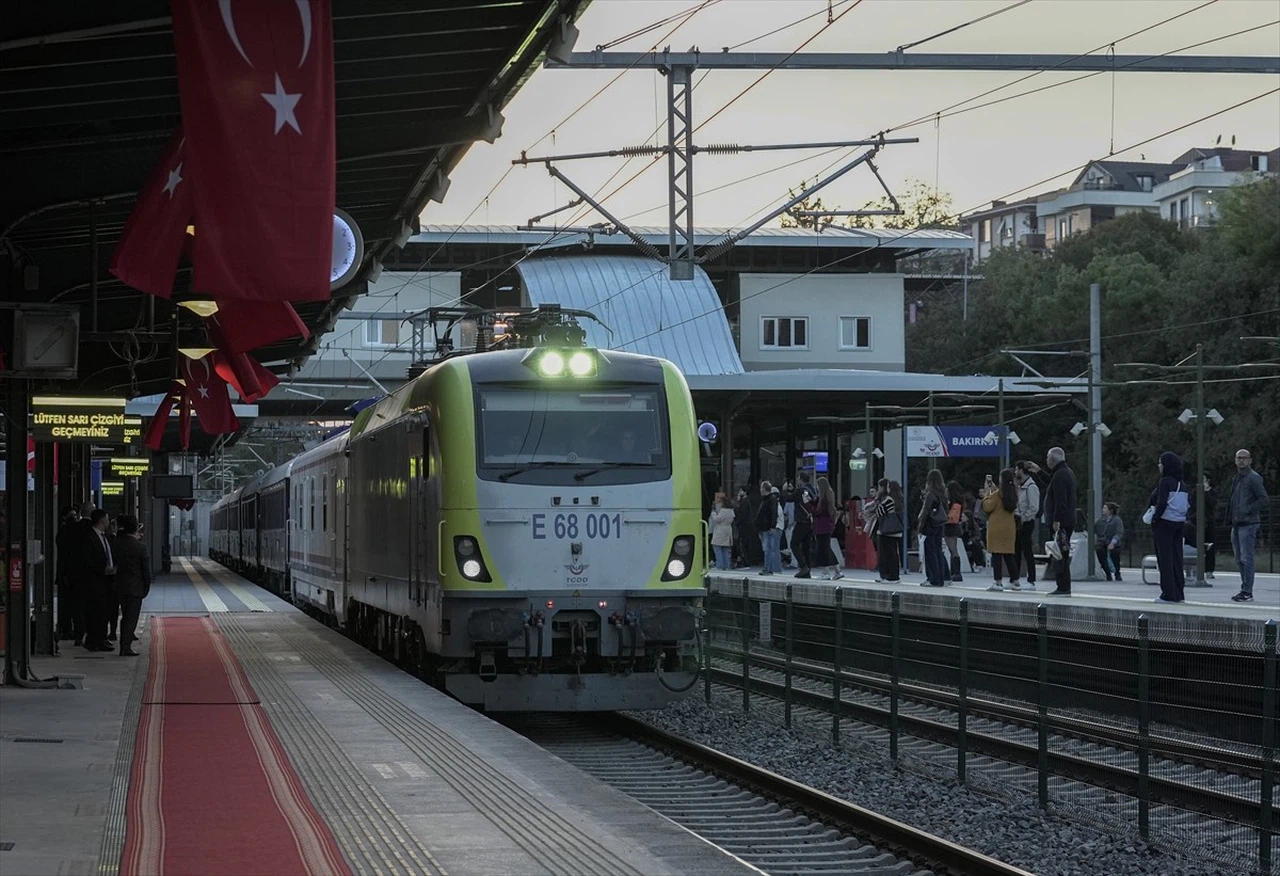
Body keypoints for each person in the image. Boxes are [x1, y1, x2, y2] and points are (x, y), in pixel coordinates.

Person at [1025, 447, 1077, 596]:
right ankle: (1062, 585)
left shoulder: (1060, 475)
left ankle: (1063, 587)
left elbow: (1061, 500)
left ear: (1053, 459)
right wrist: (1038, 471)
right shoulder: (1064, 473)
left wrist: (1057, 520)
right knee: (1061, 552)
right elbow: (1052, 484)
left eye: (1048, 457)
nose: (1046, 460)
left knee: (1060, 553)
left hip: (1062, 522)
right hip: (1066, 521)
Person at [1227, 448, 1269, 603]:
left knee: (1246, 558)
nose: (1241, 460)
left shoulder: (1253, 478)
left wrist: (1248, 509)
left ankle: (1247, 591)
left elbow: (1264, 499)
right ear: (1235, 460)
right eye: (1239, 458)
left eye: (1244, 458)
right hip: (1237, 524)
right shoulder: (1237, 478)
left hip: (1249, 523)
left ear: (1250, 460)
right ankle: (1244, 589)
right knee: (1239, 558)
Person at [1149, 451, 1190, 604]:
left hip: (1164, 523)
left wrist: (1155, 519)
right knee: (1177, 558)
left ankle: (1167, 593)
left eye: (1161, 462)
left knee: (1164, 559)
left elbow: (1161, 502)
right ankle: (1179, 593)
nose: (1159, 465)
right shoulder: (1182, 484)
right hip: (1178, 522)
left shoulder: (1165, 481)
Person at [112, 515, 151, 657]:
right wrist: (146, 587)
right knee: (131, 617)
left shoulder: (116, 543)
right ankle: (125, 646)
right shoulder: (140, 547)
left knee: (125, 616)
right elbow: (146, 570)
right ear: (135, 528)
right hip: (135, 587)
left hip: (120, 585)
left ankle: (124, 644)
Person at [82, 509, 116, 651]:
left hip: (106, 580)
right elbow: (86, 560)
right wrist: (103, 569)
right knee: (95, 611)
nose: (109, 522)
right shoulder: (89, 537)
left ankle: (100, 638)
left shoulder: (105, 537)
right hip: (94, 581)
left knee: (104, 610)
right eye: (107, 519)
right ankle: (94, 640)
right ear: (102, 521)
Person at [982, 468, 1022, 591]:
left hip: (996, 527)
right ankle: (1016, 582)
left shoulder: (997, 494)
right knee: (1009, 555)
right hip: (1009, 528)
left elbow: (987, 507)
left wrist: (986, 494)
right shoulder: (1014, 493)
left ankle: (998, 582)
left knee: (997, 555)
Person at [917, 470, 949, 587]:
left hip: (930, 525)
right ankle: (940, 578)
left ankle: (933, 578)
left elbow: (925, 511)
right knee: (938, 551)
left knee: (930, 552)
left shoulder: (930, 494)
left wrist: (920, 528)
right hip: (940, 524)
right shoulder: (943, 493)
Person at [870, 479, 903, 583]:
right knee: (893, 553)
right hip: (895, 531)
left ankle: (891, 576)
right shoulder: (899, 499)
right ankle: (893, 575)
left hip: (886, 530)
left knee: (886, 554)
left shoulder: (889, 499)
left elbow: (879, 512)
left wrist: (877, 501)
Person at [810, 476, 843, 581]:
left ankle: (825, 572)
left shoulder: (822, 500)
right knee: (827, 548)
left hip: (821, 527)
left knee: (822, 549)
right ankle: (837, 571)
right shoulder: (829, 498)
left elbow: (816, 512)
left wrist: (809, 506)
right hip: (827, 527)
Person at [1183, 476, 1216, 579]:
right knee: (1195, 543)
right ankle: (1195, 567)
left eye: (1204, 480)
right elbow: (1192, 504)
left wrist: (1206, 492)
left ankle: (1209, 569)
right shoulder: (1195, 492)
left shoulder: (1212, 492)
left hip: (1209, 521)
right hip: (1196, 520)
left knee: (1210, 545)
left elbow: (1213, 504)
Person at [55, 507, 80, 643]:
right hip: (68, 573)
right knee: (67, 604)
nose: (74, 519)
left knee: (68, 603)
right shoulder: (68, 532)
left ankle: (68, 629)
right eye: (72, 516)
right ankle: (67, 629)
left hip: (66, 573)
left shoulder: (63, 533)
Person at [1014, 464, 1041, 590]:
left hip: (1026, 522)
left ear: (1020, 470)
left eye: (1016, 469)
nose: (1015, 472)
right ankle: (1015, 578)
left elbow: (1034, 507)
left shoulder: (1031, 487)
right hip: (1019, 522)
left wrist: (1023, 518)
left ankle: (1031, 580)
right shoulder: (1021, 487)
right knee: (1017, 550)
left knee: (1027, 550)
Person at [754, 482, 783, 575]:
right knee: (767, 549)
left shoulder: (771, 499)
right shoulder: (766, 499)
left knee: (768, 549)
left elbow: (773, 513)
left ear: (764, 489)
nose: (759, 490)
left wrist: (772, 526)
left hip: (767, 527)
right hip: (764, 527)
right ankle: (769, 568)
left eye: (761, 488)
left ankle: (768, 568)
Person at [1094, 502, 1124, 581]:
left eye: (1104, 508)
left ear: (1110, 510)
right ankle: (1107, 573)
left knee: (1115, 554)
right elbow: (1094, 529)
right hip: (1102, 542)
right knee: (1099, 551)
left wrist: (1113, 542)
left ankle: (1117, 572)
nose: (1102, 510)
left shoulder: (1117, 520)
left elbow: (1119, 532)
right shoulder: (1100, 520)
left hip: (1113, 541)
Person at [944, 480, 967, 582]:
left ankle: (956, 572)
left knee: (952, 549)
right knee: (953, 549)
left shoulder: (952, 502)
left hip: (950, 526)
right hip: (954, 525)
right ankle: (955, 571)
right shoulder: (959, 501)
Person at [709, 493, 735, 571]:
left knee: (717, 547)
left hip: (721, 530)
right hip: (728, 530)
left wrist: (713, 513)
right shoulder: (731, 511)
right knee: (725, 549)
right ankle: (726, 565)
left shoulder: (723, 511)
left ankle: (719, 565)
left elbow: (717, 519)